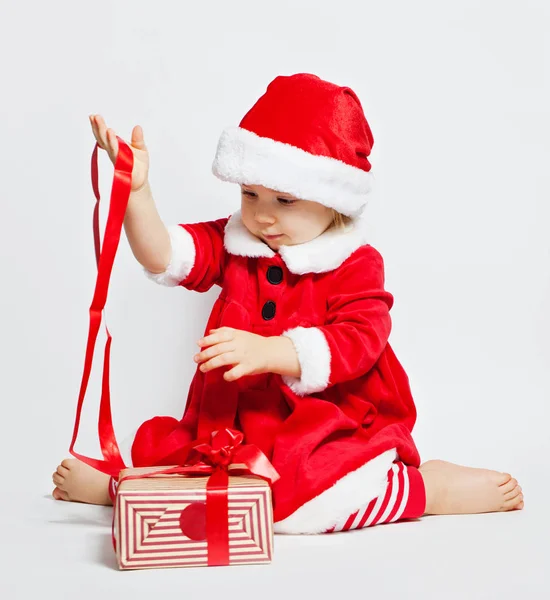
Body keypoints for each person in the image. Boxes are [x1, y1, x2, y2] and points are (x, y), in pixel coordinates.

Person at [52, 73, 523, 534]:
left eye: (285, 199)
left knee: (305, 503)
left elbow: (362, 339)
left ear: (332, 200)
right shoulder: (237, 240)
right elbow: (164, 255)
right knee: (211, 480)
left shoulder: (354, 262)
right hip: (231, 424)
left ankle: (424, 490)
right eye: (249, 193)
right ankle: (125, 489)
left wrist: (272, 352)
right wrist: (137, 195)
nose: (261, 214)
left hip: (325, 425)